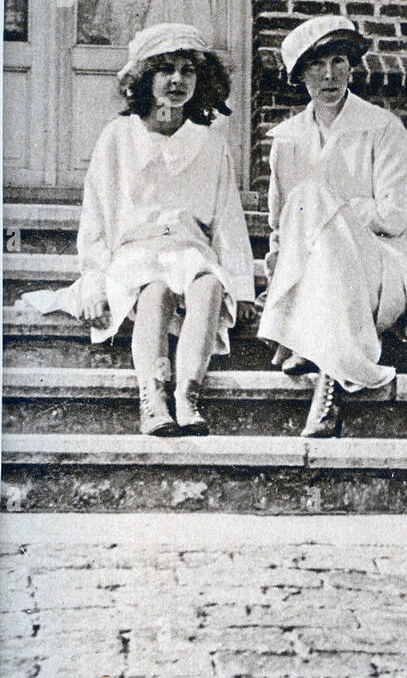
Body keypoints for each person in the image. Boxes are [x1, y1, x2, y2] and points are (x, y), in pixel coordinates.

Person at [20, 23, 256, 435]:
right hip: (135, 253)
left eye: (188, 70)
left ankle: (187, 395)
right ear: (145, 77)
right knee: (157, 289)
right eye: (166, 69)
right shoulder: (117, 138)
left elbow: (228, 221)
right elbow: (96, 217)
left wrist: (242, 285)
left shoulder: (210, 144)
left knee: (208, 285)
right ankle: (153, 395)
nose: (177, 80)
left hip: (190, 249)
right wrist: (93, 280)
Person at [258, 14, 407, 437]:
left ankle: (304, 344)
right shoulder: (288, 140)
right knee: (306, 203)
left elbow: (395, 215)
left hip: (382, 268)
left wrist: (334, 210)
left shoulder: (381, 127)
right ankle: (328, 395)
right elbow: (279, 226)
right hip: (321, 273)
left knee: (312, 199)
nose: (329, 75)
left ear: (351, 66)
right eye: (316, 65)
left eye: (338, 62)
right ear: (301, 75)